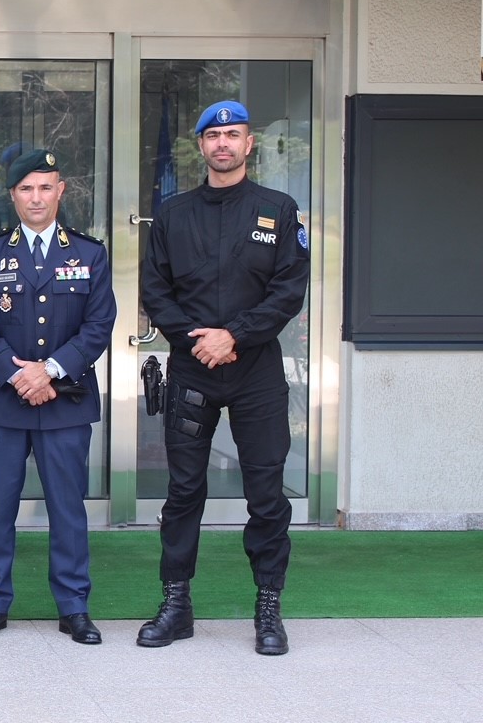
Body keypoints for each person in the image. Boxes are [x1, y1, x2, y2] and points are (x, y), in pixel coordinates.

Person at [138, 100, 309, 656]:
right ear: (201, 146)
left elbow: (288, 291)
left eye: (233, 135)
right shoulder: (171, 214)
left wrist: (233, 335)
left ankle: (268, 609)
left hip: (256, 371)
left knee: (266, 492)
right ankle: (176, 604)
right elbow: (155, 290)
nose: (223, 144)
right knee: (184, 492)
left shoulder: (279, 210)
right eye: (213, 136)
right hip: (192, 368)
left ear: (248, 144)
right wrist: (198, 339)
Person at [0, 150, 116, 643]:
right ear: (12, 195)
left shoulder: (89, 254)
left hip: (64, 399)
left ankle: (73, 605)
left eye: (45, 187)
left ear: (61, 190)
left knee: (68, 508)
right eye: (26, 189)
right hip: (3, 402)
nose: (36, 197)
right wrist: (17, 374)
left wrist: (48, 371)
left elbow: (99, 325)